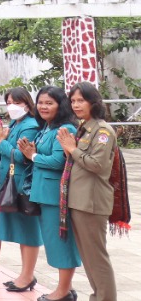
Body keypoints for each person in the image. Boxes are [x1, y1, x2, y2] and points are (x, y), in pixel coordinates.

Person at [21, 87, 80, 300]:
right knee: (54, 241)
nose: (43, 107)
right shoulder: (47, 127)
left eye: (49, 103)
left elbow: (58, 161)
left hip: (56, 196)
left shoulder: (65, 129)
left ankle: (63, 291)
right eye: (41, 102)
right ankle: (66, 288)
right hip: (44, 194)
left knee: (61, 242)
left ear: (60, 105)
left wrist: (33, 155)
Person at [62, 82, 118, 301]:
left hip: (91, 202)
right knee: (88, 258)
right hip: (79, 201)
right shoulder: (84, 127)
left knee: (97, 258)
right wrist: (70, 150)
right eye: (73, 101)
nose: (76, 105)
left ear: (93, 102)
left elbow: (97, 164)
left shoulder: (102, 131)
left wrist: (72, 149)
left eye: (81, 100)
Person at [0, 87, 42, 291]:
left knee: (29, 230)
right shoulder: (16, 123)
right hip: (13, 182)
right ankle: (25, 274)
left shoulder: (30, 126)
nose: (12, 107)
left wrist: (1, 142)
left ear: (27, 104)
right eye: (8, 103)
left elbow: (21, 156)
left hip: (24, 185)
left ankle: (28, 275)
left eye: (16, 102)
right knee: (23, 231)